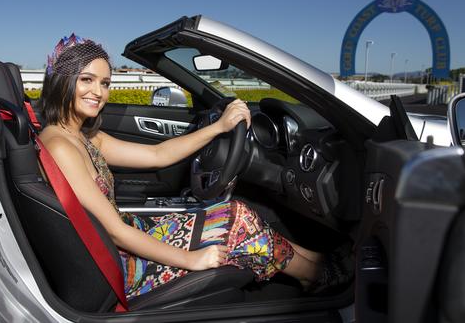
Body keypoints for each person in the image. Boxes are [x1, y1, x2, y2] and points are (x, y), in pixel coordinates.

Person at [37, 34, 344, 300]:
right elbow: (115, 232)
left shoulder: (84, 135)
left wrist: (218, 127)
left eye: (104, 83)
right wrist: (190, 259)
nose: (99, 92)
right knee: (237, 223)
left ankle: (315, 263)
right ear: (62, 80)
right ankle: (318, 275)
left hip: (126, 237)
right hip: (121, 267)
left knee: (233, 211)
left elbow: (158, 155)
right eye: (86, 80)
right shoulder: (61, 147)